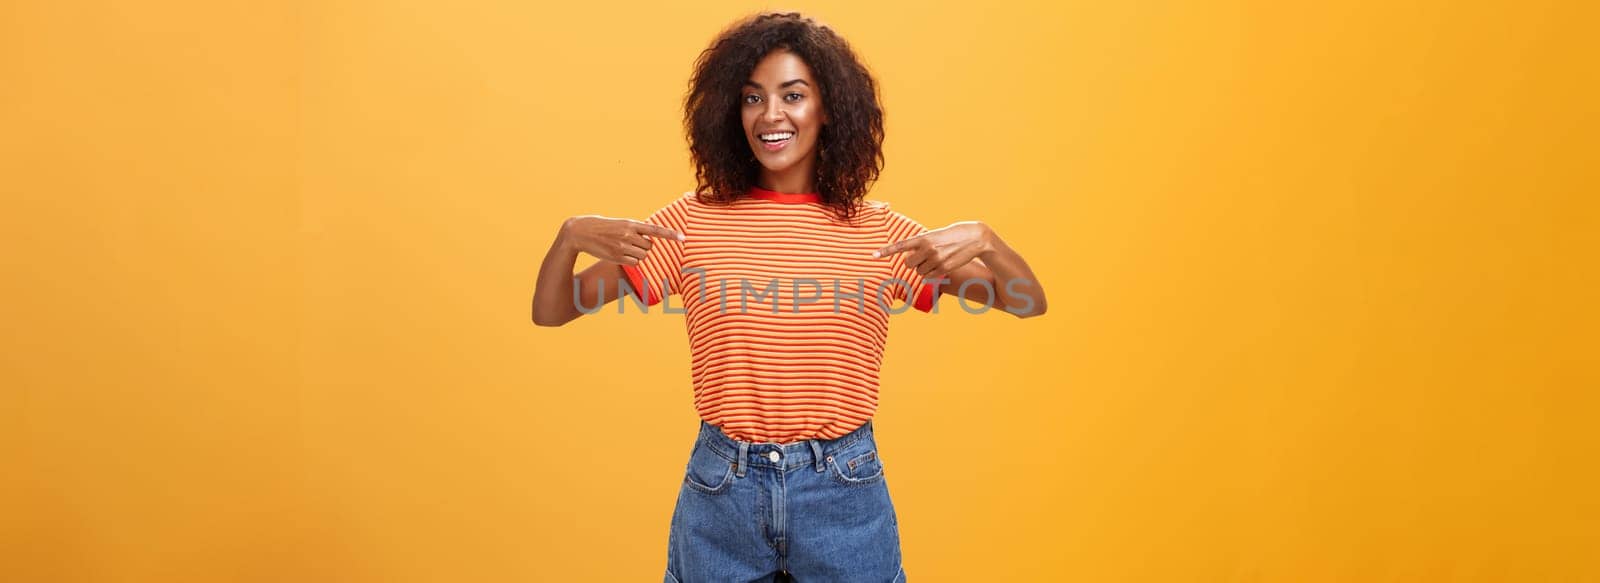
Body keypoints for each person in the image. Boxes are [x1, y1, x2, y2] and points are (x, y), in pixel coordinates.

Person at [531, 12, 1047, 582]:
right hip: (722, 489)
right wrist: (570, 235)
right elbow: (553, 311)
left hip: (843, 488)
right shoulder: (693, 223)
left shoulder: (882, 234)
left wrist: (987, 240)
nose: (770, 115)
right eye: (753, 98)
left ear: (829, 110)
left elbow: (1024, 300)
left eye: (793, 95)